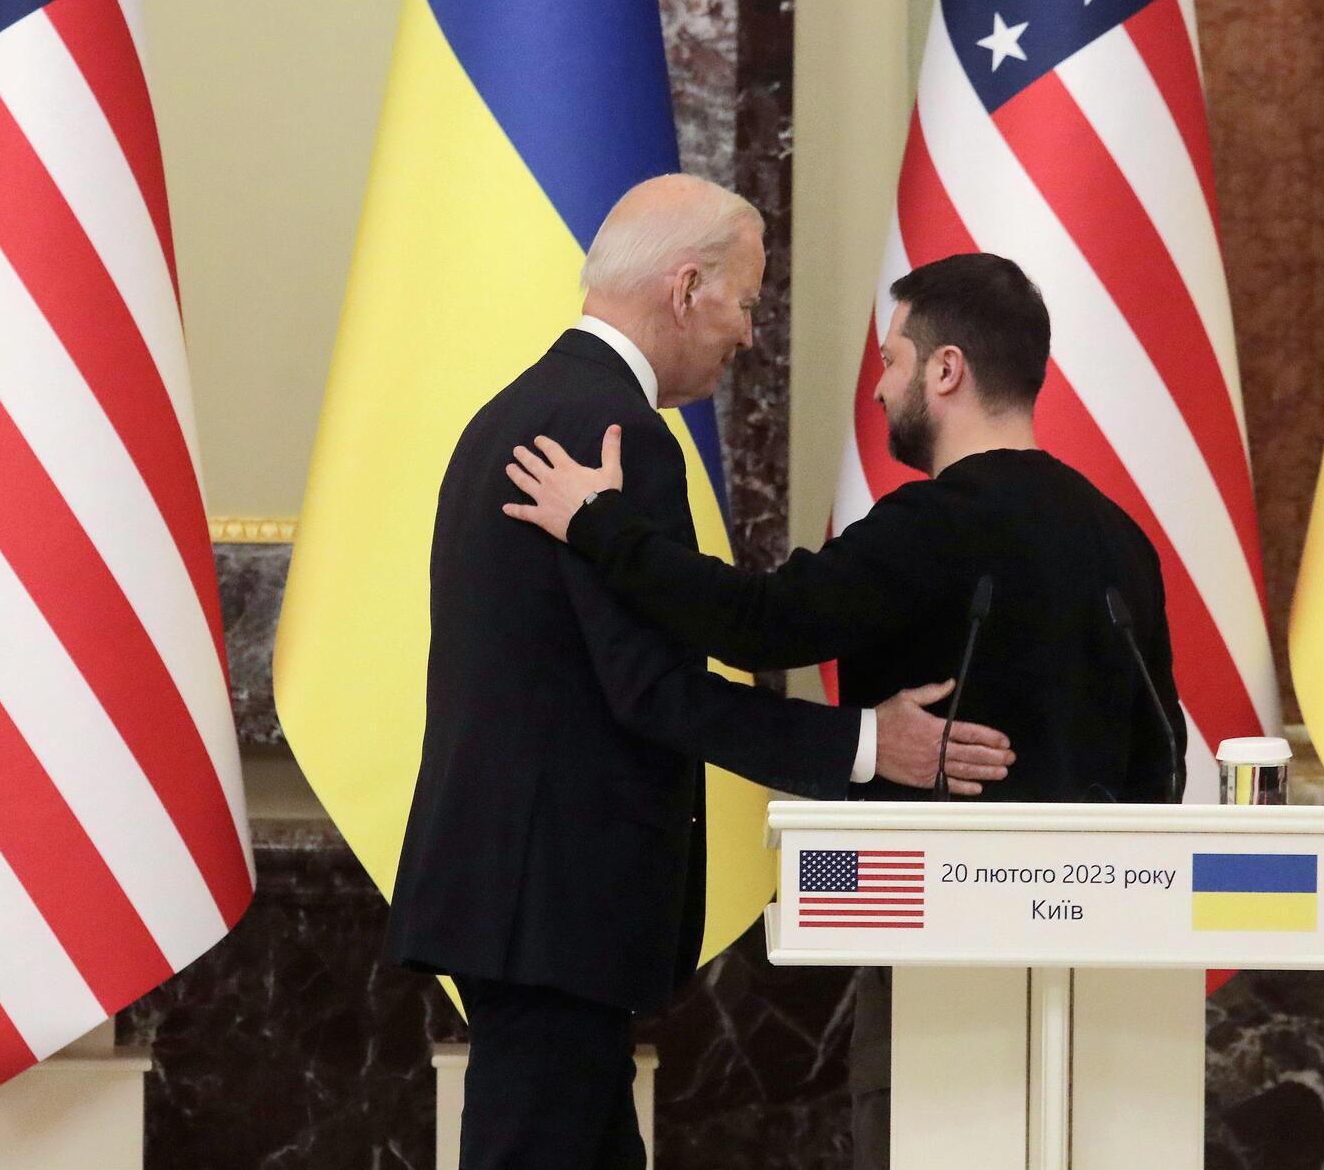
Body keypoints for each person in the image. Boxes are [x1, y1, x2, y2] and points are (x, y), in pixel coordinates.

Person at [384, 177, 1017, 1170]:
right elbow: (656, 690)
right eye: (747, 302)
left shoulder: (511, 411)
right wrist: (867, 741)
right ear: (686, 289)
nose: (750, 334)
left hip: (516, 895)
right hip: (556, 907)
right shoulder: (619, 435)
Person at [500, 250, 1183, 1164]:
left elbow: (757, 625)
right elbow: (1160, 755)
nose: (880, 388)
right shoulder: (1122, 538)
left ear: (947, 371)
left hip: (937, 963)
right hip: (1105, 982)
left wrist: (601, 524)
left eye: (892, 360)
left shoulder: (930, 525)